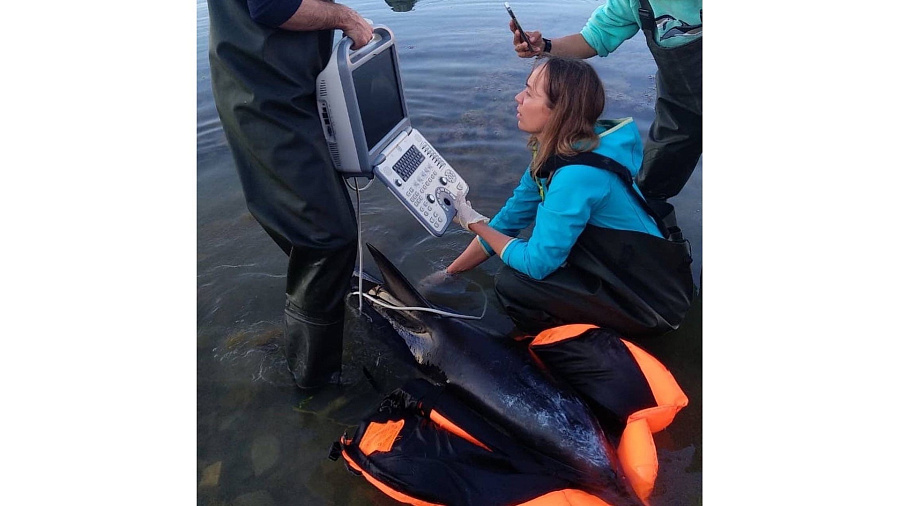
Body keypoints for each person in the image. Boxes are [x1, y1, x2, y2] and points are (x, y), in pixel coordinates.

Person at [447, 57, 693, 337]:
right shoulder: (557, 154)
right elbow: (509, 220)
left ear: (559, 112)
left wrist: (475, 223)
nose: (517, 98)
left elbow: (537, 265)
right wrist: (449, 273)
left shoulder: (576, 175)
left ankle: (554, 346)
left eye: (529, 93)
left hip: (649, 300)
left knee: (514, 283)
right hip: (622, 269)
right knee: (524, 258)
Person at [207, 0, 373, 389]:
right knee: (327, 238)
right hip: (263, 96)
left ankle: (319, 328)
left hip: (294, 86)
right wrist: (346, 17)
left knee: (322, 227)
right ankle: (312, 383)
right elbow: (271, 6)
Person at [509, 0, 701, 203]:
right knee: (649, 191)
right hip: (679, 108)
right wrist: (544, 46)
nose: (518, 98)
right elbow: (592, 39)